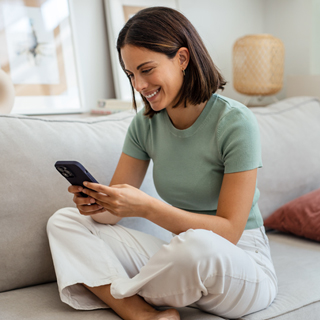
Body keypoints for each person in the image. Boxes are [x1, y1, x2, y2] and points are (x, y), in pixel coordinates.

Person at [47, 6, 278, 320]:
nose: (139, 85)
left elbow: (228, 234)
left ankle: (115, 288)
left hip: (236, 262)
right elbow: (111, 217)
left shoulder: (235, 122)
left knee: (198, 246)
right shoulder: (145, 125)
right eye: (131, 75)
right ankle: (140, 313)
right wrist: (98, 206)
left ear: (182, 59)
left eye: (146, 69)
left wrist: (146, 207)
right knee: (64, 221)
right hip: (179, 262)